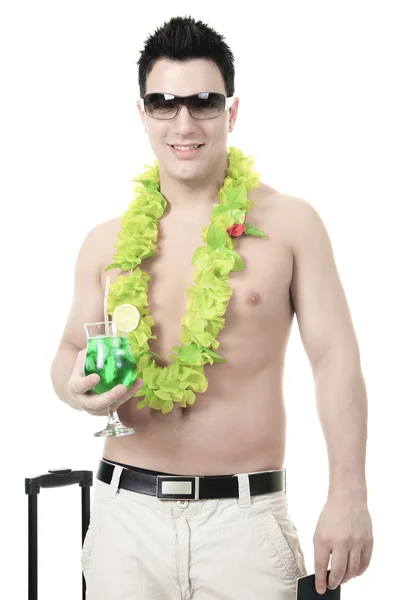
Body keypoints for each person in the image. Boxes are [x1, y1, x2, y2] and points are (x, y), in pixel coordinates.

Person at [50, 15, 373, 600]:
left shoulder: (291, 225)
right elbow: (71, 349)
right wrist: (75, 388)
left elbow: (335, 360)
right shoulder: (107, 242)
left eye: (203, 101)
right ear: (142, 114)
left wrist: (349, 491)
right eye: (164, 103)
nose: (184, 123)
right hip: (125, 520)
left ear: (231, 111)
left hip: (245, 525)